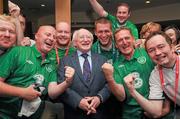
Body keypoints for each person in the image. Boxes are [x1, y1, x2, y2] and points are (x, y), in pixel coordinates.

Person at [0, 25, 75, 119]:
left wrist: (67, 82)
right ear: (36, 36)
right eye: (48, 34)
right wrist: (22, 92)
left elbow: (52, 93)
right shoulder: (18, 52)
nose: (51, 39)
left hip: (33, 115)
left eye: (54, 37)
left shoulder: (51, 63)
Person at [123, 31, 180, 118]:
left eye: (161, 47)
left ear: (171, 47)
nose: (157, 53)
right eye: (151, 50)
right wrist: (132, 91)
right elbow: (156, 112)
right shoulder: (155, 75)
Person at [102, 27, 154, 119]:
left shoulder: (147, 53)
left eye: (127, 38)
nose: (124, 42)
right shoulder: (116, 66)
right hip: (131, 114)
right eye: (120, 40)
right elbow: (121, 97)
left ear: (133, 39)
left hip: (154, 108)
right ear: (116, 45)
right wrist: (109, 77)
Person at [58, 28, 110, 119]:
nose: (86, 40)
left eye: (88, 37)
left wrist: (99, 98)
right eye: (82, 37)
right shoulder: (65, 61)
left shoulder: (103, 60)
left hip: (99, 113)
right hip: (74, 113)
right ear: (74, 43)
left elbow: (109, 84)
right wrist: (78, 101)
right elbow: (61, 85)